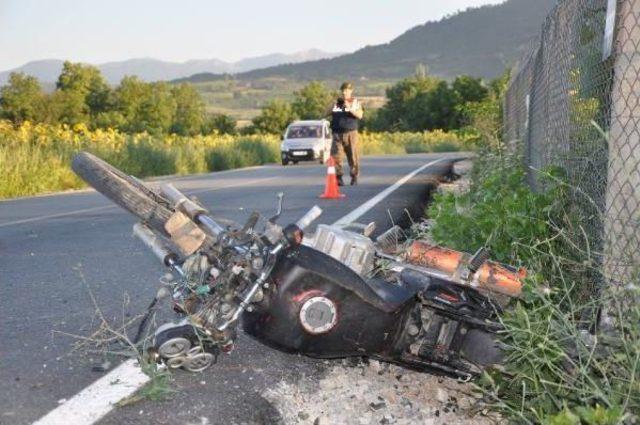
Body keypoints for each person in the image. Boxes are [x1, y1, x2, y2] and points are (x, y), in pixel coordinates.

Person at [329, 82, 363, 186]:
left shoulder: (355, 102)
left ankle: (354, 176)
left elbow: (360, 115)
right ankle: (338, 178)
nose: (344, 92)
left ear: (351, 91)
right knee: (336, 156)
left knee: (353, 156)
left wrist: (350, 107)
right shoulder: (337, 103)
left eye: (347, 90)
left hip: (350, 133)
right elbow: (325, 112)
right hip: (337, 133)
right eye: (343, 90)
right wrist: (332, 105)